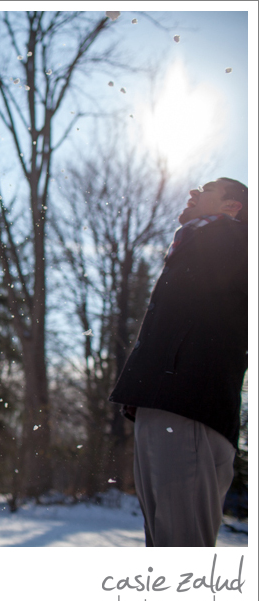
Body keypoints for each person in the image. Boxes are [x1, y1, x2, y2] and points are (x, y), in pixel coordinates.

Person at [109, 177, 248, 547]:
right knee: (162, 544)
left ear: (232, 207)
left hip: (189, 408)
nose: (193, 193)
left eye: (208, 190)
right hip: (163, 405)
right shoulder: (200, 242)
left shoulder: (237, 242)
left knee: (182, 549)